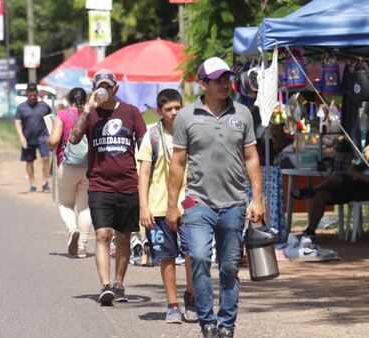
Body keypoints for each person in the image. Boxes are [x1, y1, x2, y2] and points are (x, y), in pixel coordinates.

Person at [166, 56, 265, 338]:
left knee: (230, 267)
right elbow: (178, 163)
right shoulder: (186, 116)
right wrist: (172, 206)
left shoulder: (243, 114)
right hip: (197, 203)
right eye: (218, 79)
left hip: (234, 204)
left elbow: (251, 157)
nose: (225, 83)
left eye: (227, 78)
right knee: (197, 256)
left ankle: (227, 325)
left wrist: (257, 198)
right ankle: (207, 321)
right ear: (203, 84)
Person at [69, 69, 147, 306]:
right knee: (103, 234)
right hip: (100, 185)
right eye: (100, 86)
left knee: (123, 237)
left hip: (128, 185)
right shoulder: (90, 114)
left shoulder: (131, 112)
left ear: (116, 88)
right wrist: (87, 108)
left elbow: (145, 147)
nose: (105, 90)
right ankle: (105, 286)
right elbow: (73, 138)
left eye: (108, 86)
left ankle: (119, 284)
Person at [138, 89, 197, 324]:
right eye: (168, 109)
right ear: (159, 112)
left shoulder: (193, 134)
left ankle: (191, 298)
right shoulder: (151, 136)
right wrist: (144, 207)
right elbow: (143, 174)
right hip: (158, 206)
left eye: (177, 107)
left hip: (190, 205)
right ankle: (173, 305)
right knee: (167, 257)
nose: (174, 112)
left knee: (194, 253)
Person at [292, 125, 369, 239]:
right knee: (322, 195)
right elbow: (359, 168)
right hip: (357, 188)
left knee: (338, 177)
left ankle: (312, 190)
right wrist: (349, 167)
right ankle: (310, 231)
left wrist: (353, 174)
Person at [47, 87, 92, 258]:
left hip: (67, 166)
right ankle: (82, 248)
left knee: (65, 203)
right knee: (85, 207)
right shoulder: (91, 115)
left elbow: (54, 141)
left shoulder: (63, 115)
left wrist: (48, 141)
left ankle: (73, 229)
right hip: (88, 166)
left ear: (69, 100)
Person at [14, 83, 52, 193]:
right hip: (28, 138)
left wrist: (51, 135)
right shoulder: (21, 107)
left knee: (45, 158)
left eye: (33, 92)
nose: (32, 94)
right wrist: (21, 137)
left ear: (36, 92)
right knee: (29, 161)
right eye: (30, 92)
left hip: (42, 137)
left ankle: (45, 182)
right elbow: (17, 122)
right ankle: (32, 184)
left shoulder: (44, 106)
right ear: (27, 93)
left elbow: (50, 120)